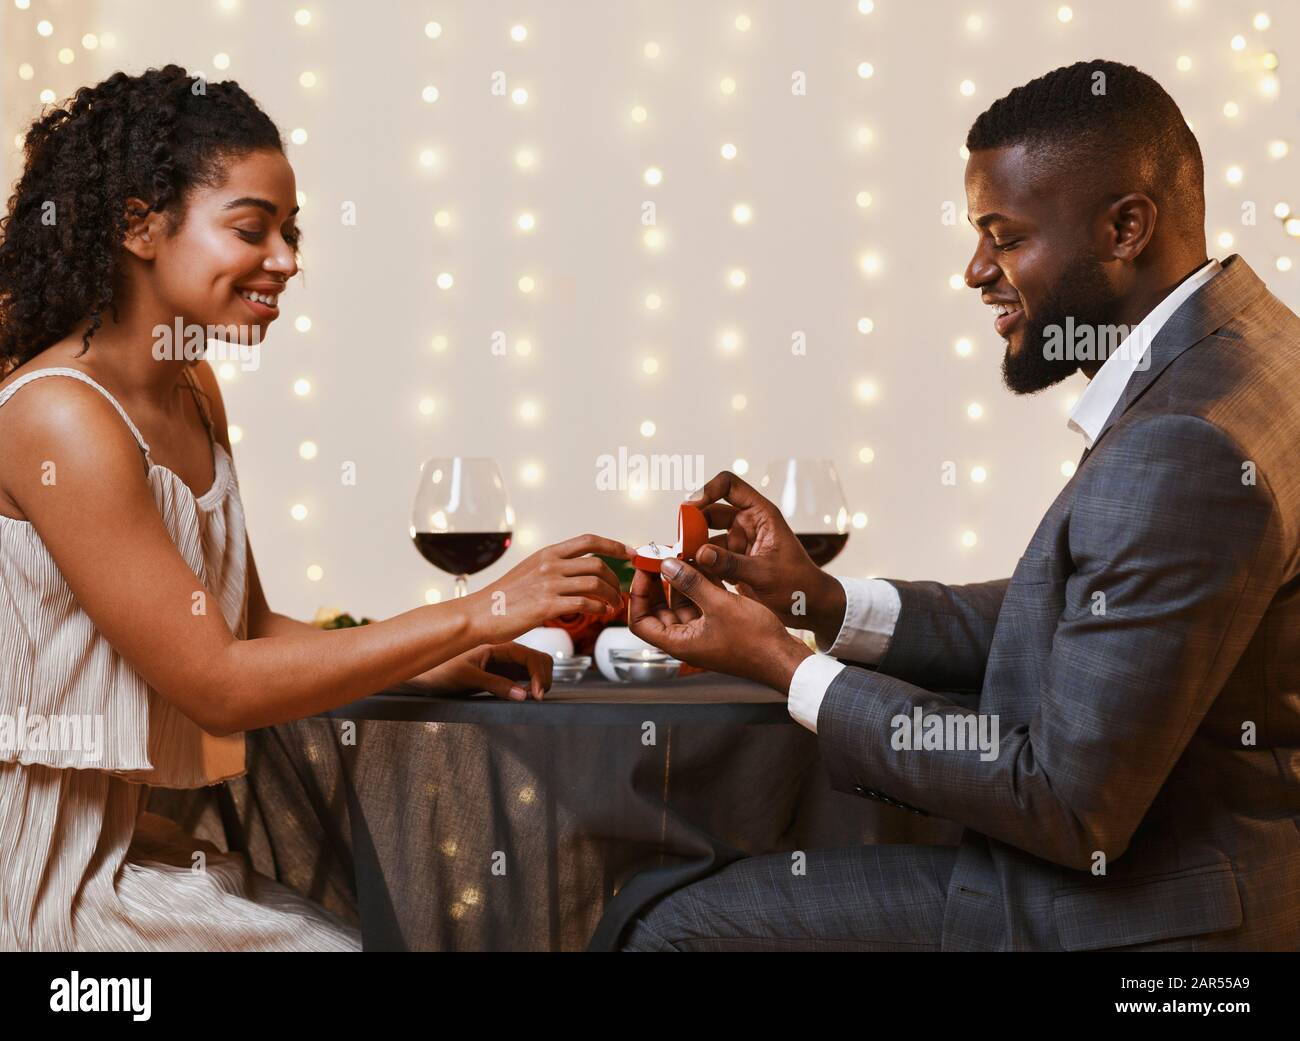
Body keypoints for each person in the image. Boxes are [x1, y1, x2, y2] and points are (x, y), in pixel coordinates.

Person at [621, 60, 1300, 951]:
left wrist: (788, 669)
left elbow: (1066, 804)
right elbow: (1082, 616)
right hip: (1211, 879)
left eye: (1005, 235)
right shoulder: (1249, 350)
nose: (977, 271)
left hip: (1148, 929)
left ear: (1126, 226)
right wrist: (820, 604)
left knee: (675, 923)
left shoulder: (1185, 446)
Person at [0, 66, 630, 951]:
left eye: (290, 233)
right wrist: (476, 607)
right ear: (140, 224)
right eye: (252, 229)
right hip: (45, 885)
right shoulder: (61, 416)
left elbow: (248, 627)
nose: (287, 260)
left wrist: (435, 652)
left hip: (141, 854)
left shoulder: (192, 389)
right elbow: (216, 685)